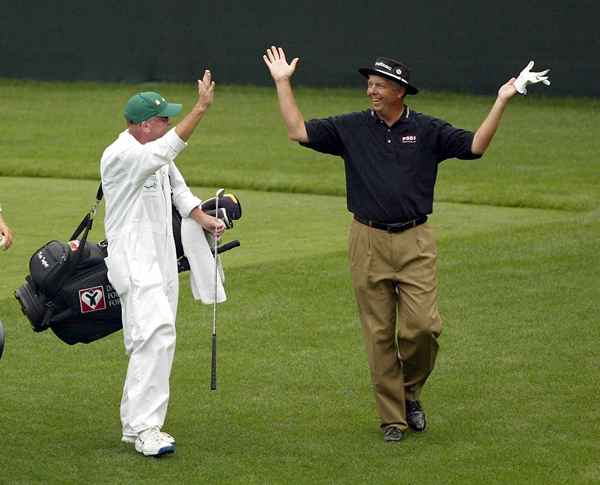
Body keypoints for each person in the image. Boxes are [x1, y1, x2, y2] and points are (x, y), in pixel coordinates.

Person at [263, 46, 549, 443]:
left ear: (400, 91)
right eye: (369, 84)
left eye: (379, 85)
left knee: (423, 329)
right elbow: (298, 131)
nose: (371, 91)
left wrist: (502, 100)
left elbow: (475, 147)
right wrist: (282, 82)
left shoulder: (428, 130)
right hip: (366, 240)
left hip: (415, 240)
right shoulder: (352, 127)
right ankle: (392, 419)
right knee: (379, 335)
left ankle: (409, 390)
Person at [100, 70, 226, 456]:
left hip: (160, 258)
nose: (168, 124)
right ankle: (144, 428)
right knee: (152, 335)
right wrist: (201, 108)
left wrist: (199, 215)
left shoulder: (153, 153)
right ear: (142, 126)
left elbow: (177, 185)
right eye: (162, 120)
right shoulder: (122, 154)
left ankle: (134, 422)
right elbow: (165, 152)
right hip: (134, 259)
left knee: (157, 335)